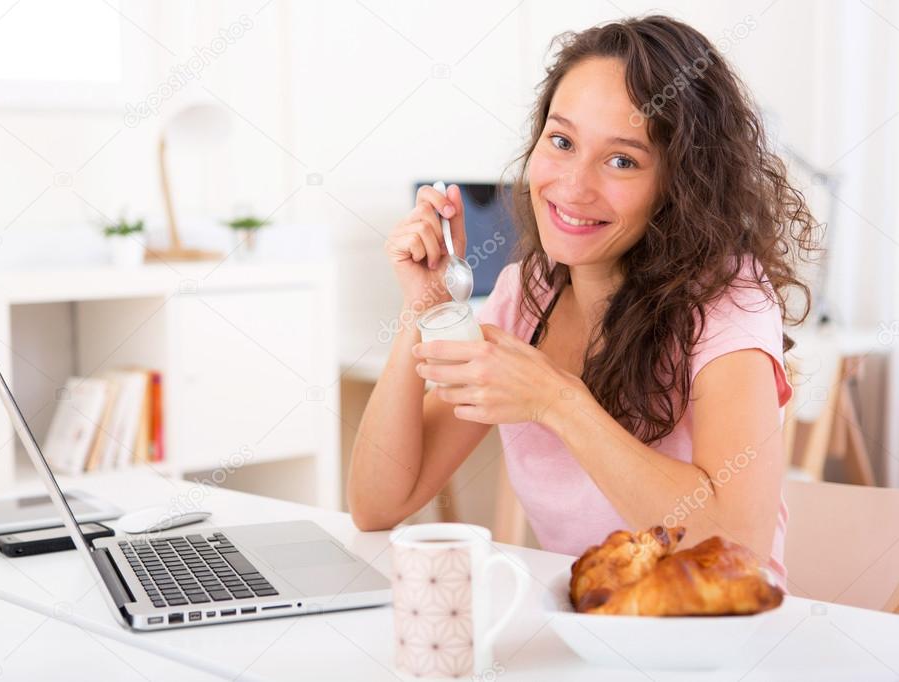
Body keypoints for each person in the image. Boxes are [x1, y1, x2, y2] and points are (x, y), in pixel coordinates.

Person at [347, 15, 818, 586]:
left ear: (681, 183)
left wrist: (558, 402)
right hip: (589, 626)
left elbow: (737, 549)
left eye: (622, 160)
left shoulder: (727, 301)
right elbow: (379, 505)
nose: (573, 185)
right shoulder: (526, 296)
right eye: (562, 141)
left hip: (716, 636)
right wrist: (421, 307)